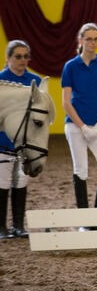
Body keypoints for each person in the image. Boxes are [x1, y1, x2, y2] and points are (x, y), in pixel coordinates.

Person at [61, 23, 97, 225]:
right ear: (80, 40)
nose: (92, 42)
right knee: (81, 170)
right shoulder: (70, 66)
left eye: (96, 39)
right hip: (75, 126)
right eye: (88, 39)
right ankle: (85, 218)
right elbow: (66, 102)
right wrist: (82, 126)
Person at [0, 41, 41, 239]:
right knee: (2, 182)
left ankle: (18, 225)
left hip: (25, 144)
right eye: (18, 56)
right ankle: (1, 228)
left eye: (26, 56)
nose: (23, 60)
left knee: (21, 181)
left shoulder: (35, 81)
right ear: (8, 58)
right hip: (3, 141)